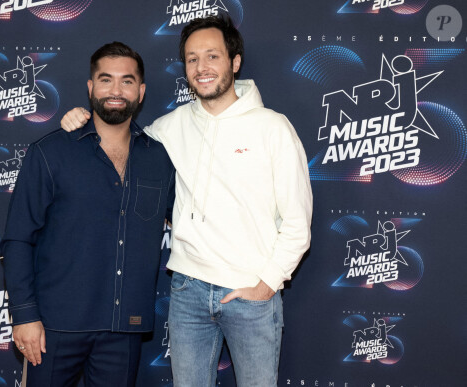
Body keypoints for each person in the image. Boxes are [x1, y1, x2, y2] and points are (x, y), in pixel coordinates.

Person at [60, 16, 312, 387]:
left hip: (251, 296)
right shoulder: (167, 128)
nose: (202, 67)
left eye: (212, 56)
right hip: (187, 294)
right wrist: (81, 118)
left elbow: (297, 222)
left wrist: (265, 286)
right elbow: (118, 140)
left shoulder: (273, 127)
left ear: (235, 62)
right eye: (192, 59)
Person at [1, 42, 175, 387]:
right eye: (105, 79)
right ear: (91, 87)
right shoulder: (50, 153)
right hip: (53, 326)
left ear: (140, 92)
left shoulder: (158, 158)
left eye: (127, 81)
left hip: (124, 327)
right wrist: (24, 316)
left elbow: (191, 220)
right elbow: (19, 238)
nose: (115, 90)